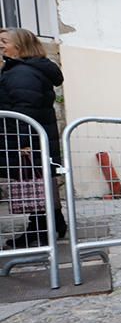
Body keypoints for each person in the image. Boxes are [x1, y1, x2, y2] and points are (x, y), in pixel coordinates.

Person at [0, 27, 68, 248]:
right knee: (41, 182)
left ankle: (38, 231)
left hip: (26, 141)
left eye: (3, 41)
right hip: (31, 139)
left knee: (32, 184)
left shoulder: (22, 73)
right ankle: (55, 224)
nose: (0, 45)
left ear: (20, 46)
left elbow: (25, 110)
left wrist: (23, 143)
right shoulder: (23, 70)